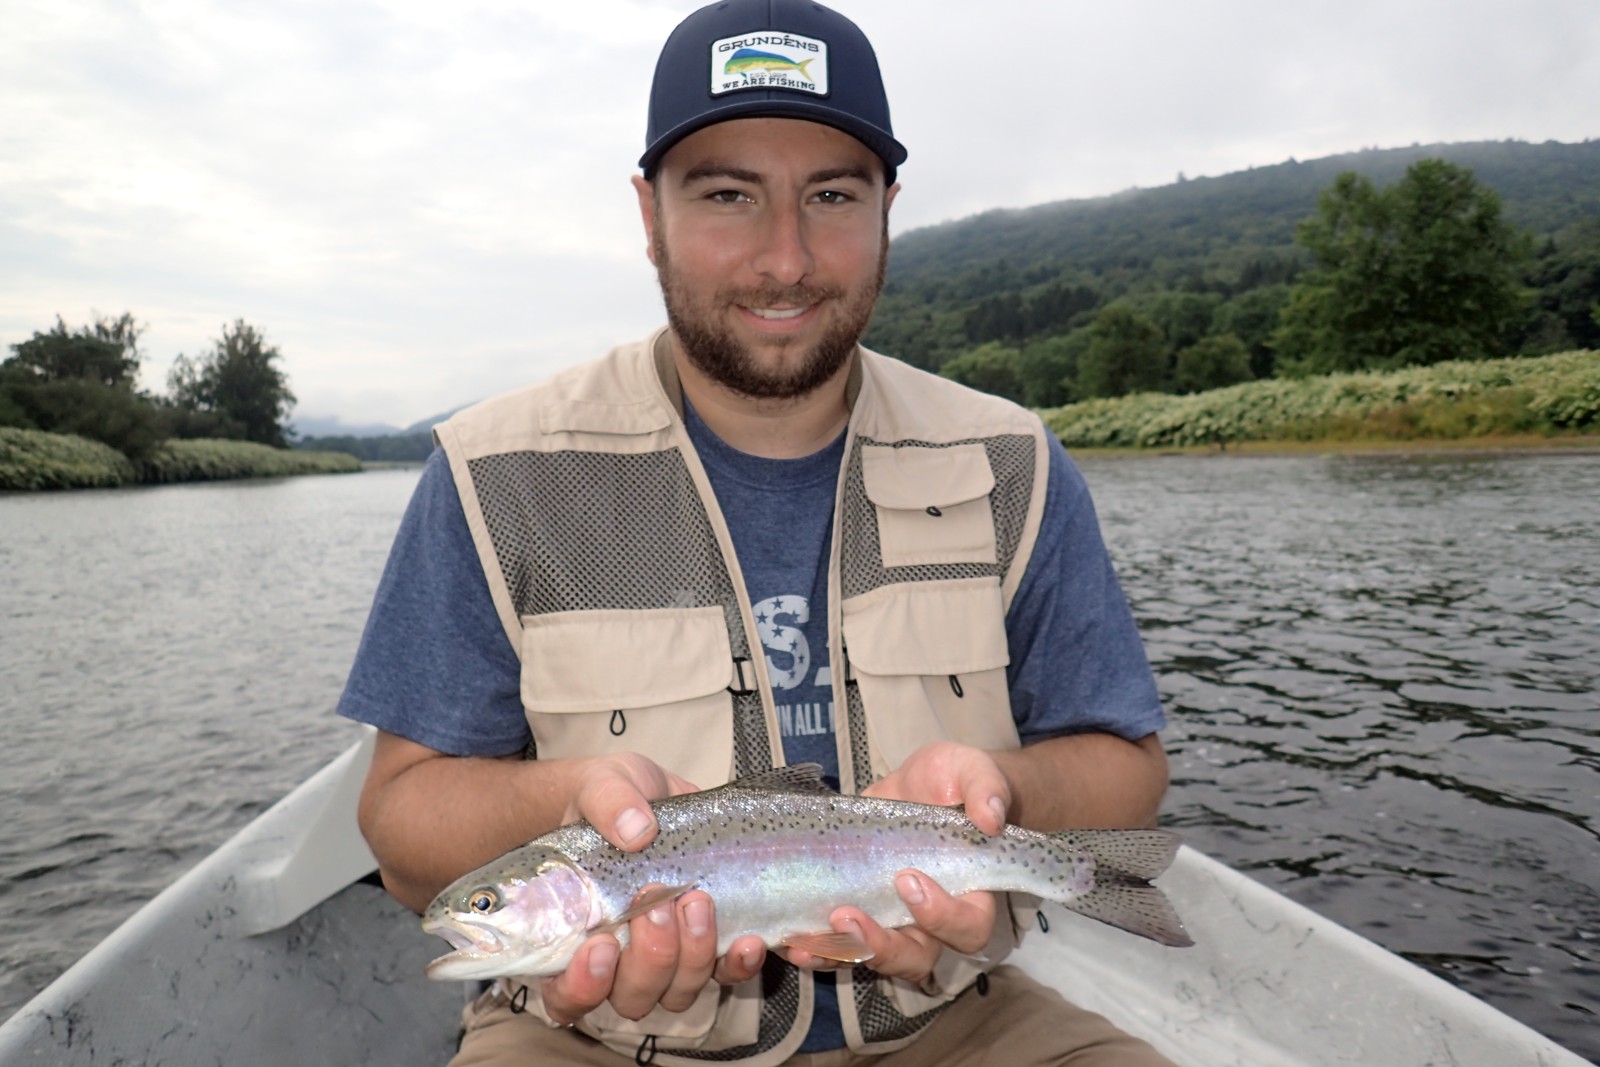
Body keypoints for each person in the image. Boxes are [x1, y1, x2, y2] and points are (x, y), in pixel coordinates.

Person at [337, 1, 1178, 1064]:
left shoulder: (1013, 460)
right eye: (728, 195)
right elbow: (403, 837)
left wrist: (1004, 797)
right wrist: (566, 807)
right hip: (587, 1036)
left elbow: (1127, 769)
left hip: (960, 1017)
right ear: (648, 214)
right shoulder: (490, 475)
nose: (785, 258)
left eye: (830, 195)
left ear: (888, 208)